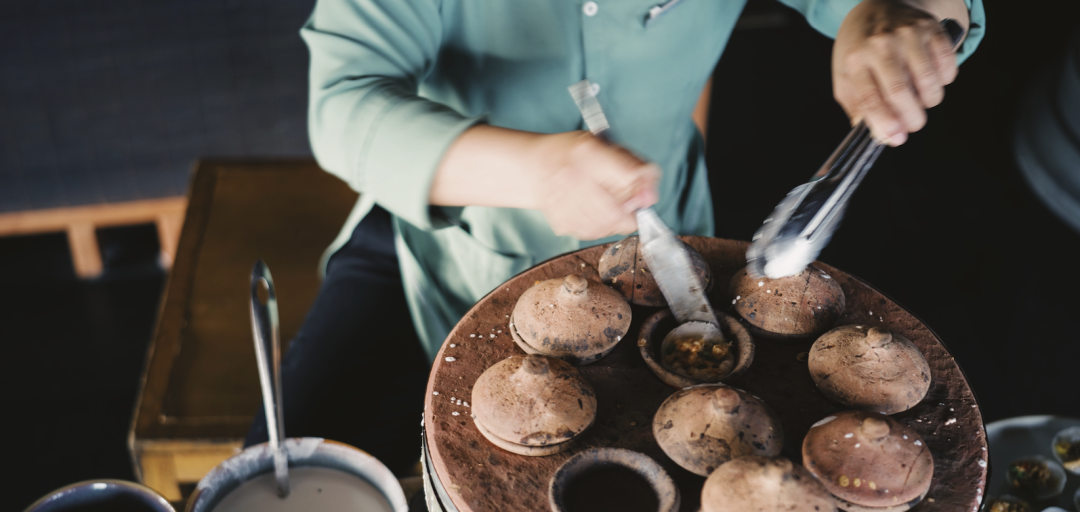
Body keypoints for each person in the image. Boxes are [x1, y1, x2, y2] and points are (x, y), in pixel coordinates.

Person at [245, 0, 984, 475]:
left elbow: (925, 8)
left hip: (669, 246)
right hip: (444, 245)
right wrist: (535, 167)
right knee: (276, 474)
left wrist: (888, 15)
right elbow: (342, 107)